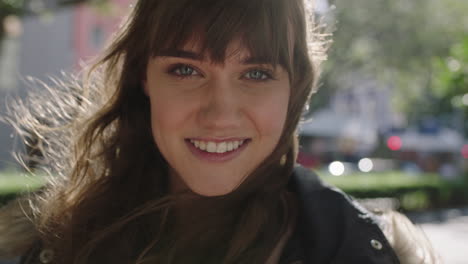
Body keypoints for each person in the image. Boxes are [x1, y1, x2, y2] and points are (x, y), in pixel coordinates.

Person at [0, 0, 439, 263]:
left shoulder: (354, 251)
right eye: (186, 69)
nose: (220, 114)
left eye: (258, 73)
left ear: (295, 90)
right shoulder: (55, 242)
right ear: (144, 79)